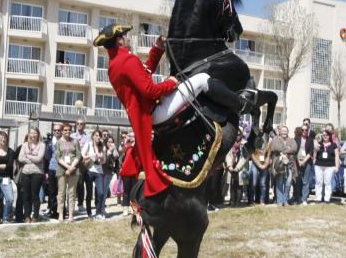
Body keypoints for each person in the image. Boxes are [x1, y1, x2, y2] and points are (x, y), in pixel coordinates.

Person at [95, 24, 253, 199]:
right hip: (155, 111)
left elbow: (144, 73)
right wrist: (170, 83)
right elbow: (149, 90)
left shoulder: (115, 64)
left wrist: (157, 49)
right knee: (202, 79)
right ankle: (241, 104)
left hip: (148, 112)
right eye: (125, 35)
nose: (128, 37)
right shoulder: (127, 60)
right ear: (119, 40)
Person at [54, 123, 81, 222]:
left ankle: (71, 215)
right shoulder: (58, 142)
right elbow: (58, 157)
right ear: (62, 131)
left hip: (74, 169)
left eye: (69, 130)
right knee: (61, 193)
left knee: (72, 193)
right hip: (62, 169)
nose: (67, 132)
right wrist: (67, 167)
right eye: (65, 130)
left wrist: (72, 167)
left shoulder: (75, 141)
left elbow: (78, 155)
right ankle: (61, 214)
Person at [18, 127, 45, 223]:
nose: (33, 135)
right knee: (26, 195)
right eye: (31, 133)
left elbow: (39, 159)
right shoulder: (25, 145)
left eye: (35, 133)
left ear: (38, 134)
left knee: (35, 195)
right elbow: (20, 158)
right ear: (29, 134)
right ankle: (27, 216)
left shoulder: (42, 145)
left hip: (37, 173)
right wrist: (31, 158)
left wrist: (28, 156)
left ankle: (36, 216)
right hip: (25, 172)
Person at [269, 125, 298, 206]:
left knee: (288, 183)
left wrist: (283, 151)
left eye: (286, 131)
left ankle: (285, 200)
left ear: (288, 132)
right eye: (282, 131)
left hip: (290, 164)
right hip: (279, 164)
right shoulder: (275, 139)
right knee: (279, 182)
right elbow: (274, 147)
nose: (284, 132)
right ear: (280, 132)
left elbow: (295, 148)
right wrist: (288, 149)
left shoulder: (292, 140)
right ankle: (280, 200)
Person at [82, 130, 107, 219]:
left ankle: (98, 212)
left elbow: (104, 161)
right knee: (89, 193)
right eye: (96, 135)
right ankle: (89, 212)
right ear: (93, 136)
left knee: (101, 192)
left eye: (99, 136)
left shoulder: (102, 146)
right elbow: (82, 155)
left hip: (99, 171)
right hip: (89, 170)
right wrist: (91, 156)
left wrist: (101, 157)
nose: (98, 137)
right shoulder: (88, 144)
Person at [313, 130, 340, 203]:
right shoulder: (319, 144)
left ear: (329, 136)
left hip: (329, 166)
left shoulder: (334, 145)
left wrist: (337, 166)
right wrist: (314, 160)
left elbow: (337, 156)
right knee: (318, 182)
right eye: (323, 135)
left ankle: (327, 198)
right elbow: (315, 152)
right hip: (318, 165)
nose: (325, 136)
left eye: (326, 135)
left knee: (327, 182)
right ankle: (318, 198)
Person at [71, 118, 90, 213]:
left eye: (81, 124)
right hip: (73, 163)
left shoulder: (88, 137)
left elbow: (89, 149)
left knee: (81, 184)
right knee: (72, 185)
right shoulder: (72, 136)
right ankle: (71, 204)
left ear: (84, 125)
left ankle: (80, 204)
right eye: (78, 123)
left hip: (83, 164)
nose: (79, 125)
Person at [119, 134, 140, 216]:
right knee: (126, 191)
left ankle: (134, 209)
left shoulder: (137, 146)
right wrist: (126, 140)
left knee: (134, 192)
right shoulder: (128, 145)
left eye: (133, 136)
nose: (132, 138)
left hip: (135, 172)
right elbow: (121, 149)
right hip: (126, 172)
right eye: (131, 136)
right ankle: (125, 209)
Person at [224, 132, 247, 207]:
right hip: (231, 167)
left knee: (240, 186)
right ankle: (232, 202)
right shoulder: (230, 143)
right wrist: (229, 165)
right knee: (232, 185)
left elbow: (245, 157)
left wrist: (237, 167)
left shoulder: (244, 144)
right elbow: (227, 155)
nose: (237, 136)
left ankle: (238, 203)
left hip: (241, 168)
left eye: (239, 134)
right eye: (236, 134)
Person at [45, 123, 62, 219]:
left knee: (61, 191)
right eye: (55, 130)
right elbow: (46, 158)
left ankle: (61, 210)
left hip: (62, 169)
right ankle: (53, 210)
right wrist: (46, 172)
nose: (57, 132)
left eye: (58, 130)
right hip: (52, 168)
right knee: (52, 191)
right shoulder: (49, 142)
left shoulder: (65, 141)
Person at [248, 135, 271, 205]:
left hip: (264, 165)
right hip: (255, 164)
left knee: (263, 184)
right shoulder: (253, 144)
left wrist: (265, 165)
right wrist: (259, 165)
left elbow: (268, 156)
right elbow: (252, 155)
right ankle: (251, 201)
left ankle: (262, 201)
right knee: (253, 183)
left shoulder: (268, 145)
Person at [296, 124, 315, 205]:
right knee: (298, 180)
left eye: (306, 130)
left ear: (308, 130)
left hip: (307, 162)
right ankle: (297, 198)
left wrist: (303, 161)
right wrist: (298, 161)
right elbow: (294, 151)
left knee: (305, 181)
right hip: (297, 161)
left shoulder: (310, 140)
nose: (304, 131)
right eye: (302, 130)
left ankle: (304, 199)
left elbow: (310, 152)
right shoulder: (296, 139)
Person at [103, 135, 120, 207]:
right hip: (103, 171)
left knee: (105, 188)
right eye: (109, 142)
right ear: (106, 142)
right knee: (101, 189)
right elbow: (104, 160)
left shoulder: (113, 149)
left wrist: (114, 149)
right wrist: (109, 151)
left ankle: (102, 203)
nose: (110, 143)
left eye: (112, 142)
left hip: (110, 171)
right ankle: (100, 203)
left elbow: (116, 156)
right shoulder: (104, 149)